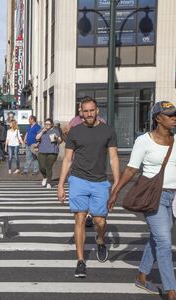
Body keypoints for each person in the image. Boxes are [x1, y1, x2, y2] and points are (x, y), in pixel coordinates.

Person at [107, 101, 176, 298]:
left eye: (175, 114)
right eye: (169, 115)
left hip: (174, 197)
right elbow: (131, 169)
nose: (174, 118)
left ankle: (142, 276)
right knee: (164, 241)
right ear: (157, 118)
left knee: (157, 238)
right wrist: (115, 192)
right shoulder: (144, 141)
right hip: (154, 196)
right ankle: (171, 291)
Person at [57, 96, 120, 278]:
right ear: (81, 112)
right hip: (78, 180)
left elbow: (114, 157)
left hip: (100, 181)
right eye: (85, 111)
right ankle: (80, 261)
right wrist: (61, 185)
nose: (89, 114)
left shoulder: (108, 131)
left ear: (97, 110)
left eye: (92, 110)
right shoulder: (75, 132)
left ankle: (100, 240)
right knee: (80, 218)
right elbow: (68, 159)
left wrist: (116, 182)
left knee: (100, 221)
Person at [36, 118, 62, 188]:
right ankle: (45, 177)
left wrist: (57, 138)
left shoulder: (55, 131)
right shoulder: (41, 130)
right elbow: (37, 138)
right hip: (42, 151)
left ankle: (49, 182)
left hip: (52, 151)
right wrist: (42, 132)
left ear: (52, 125)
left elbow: (60, 141)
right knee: (41, 167)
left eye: (48, 124)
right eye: (46, 124)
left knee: (48, 167)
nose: (47, 125)